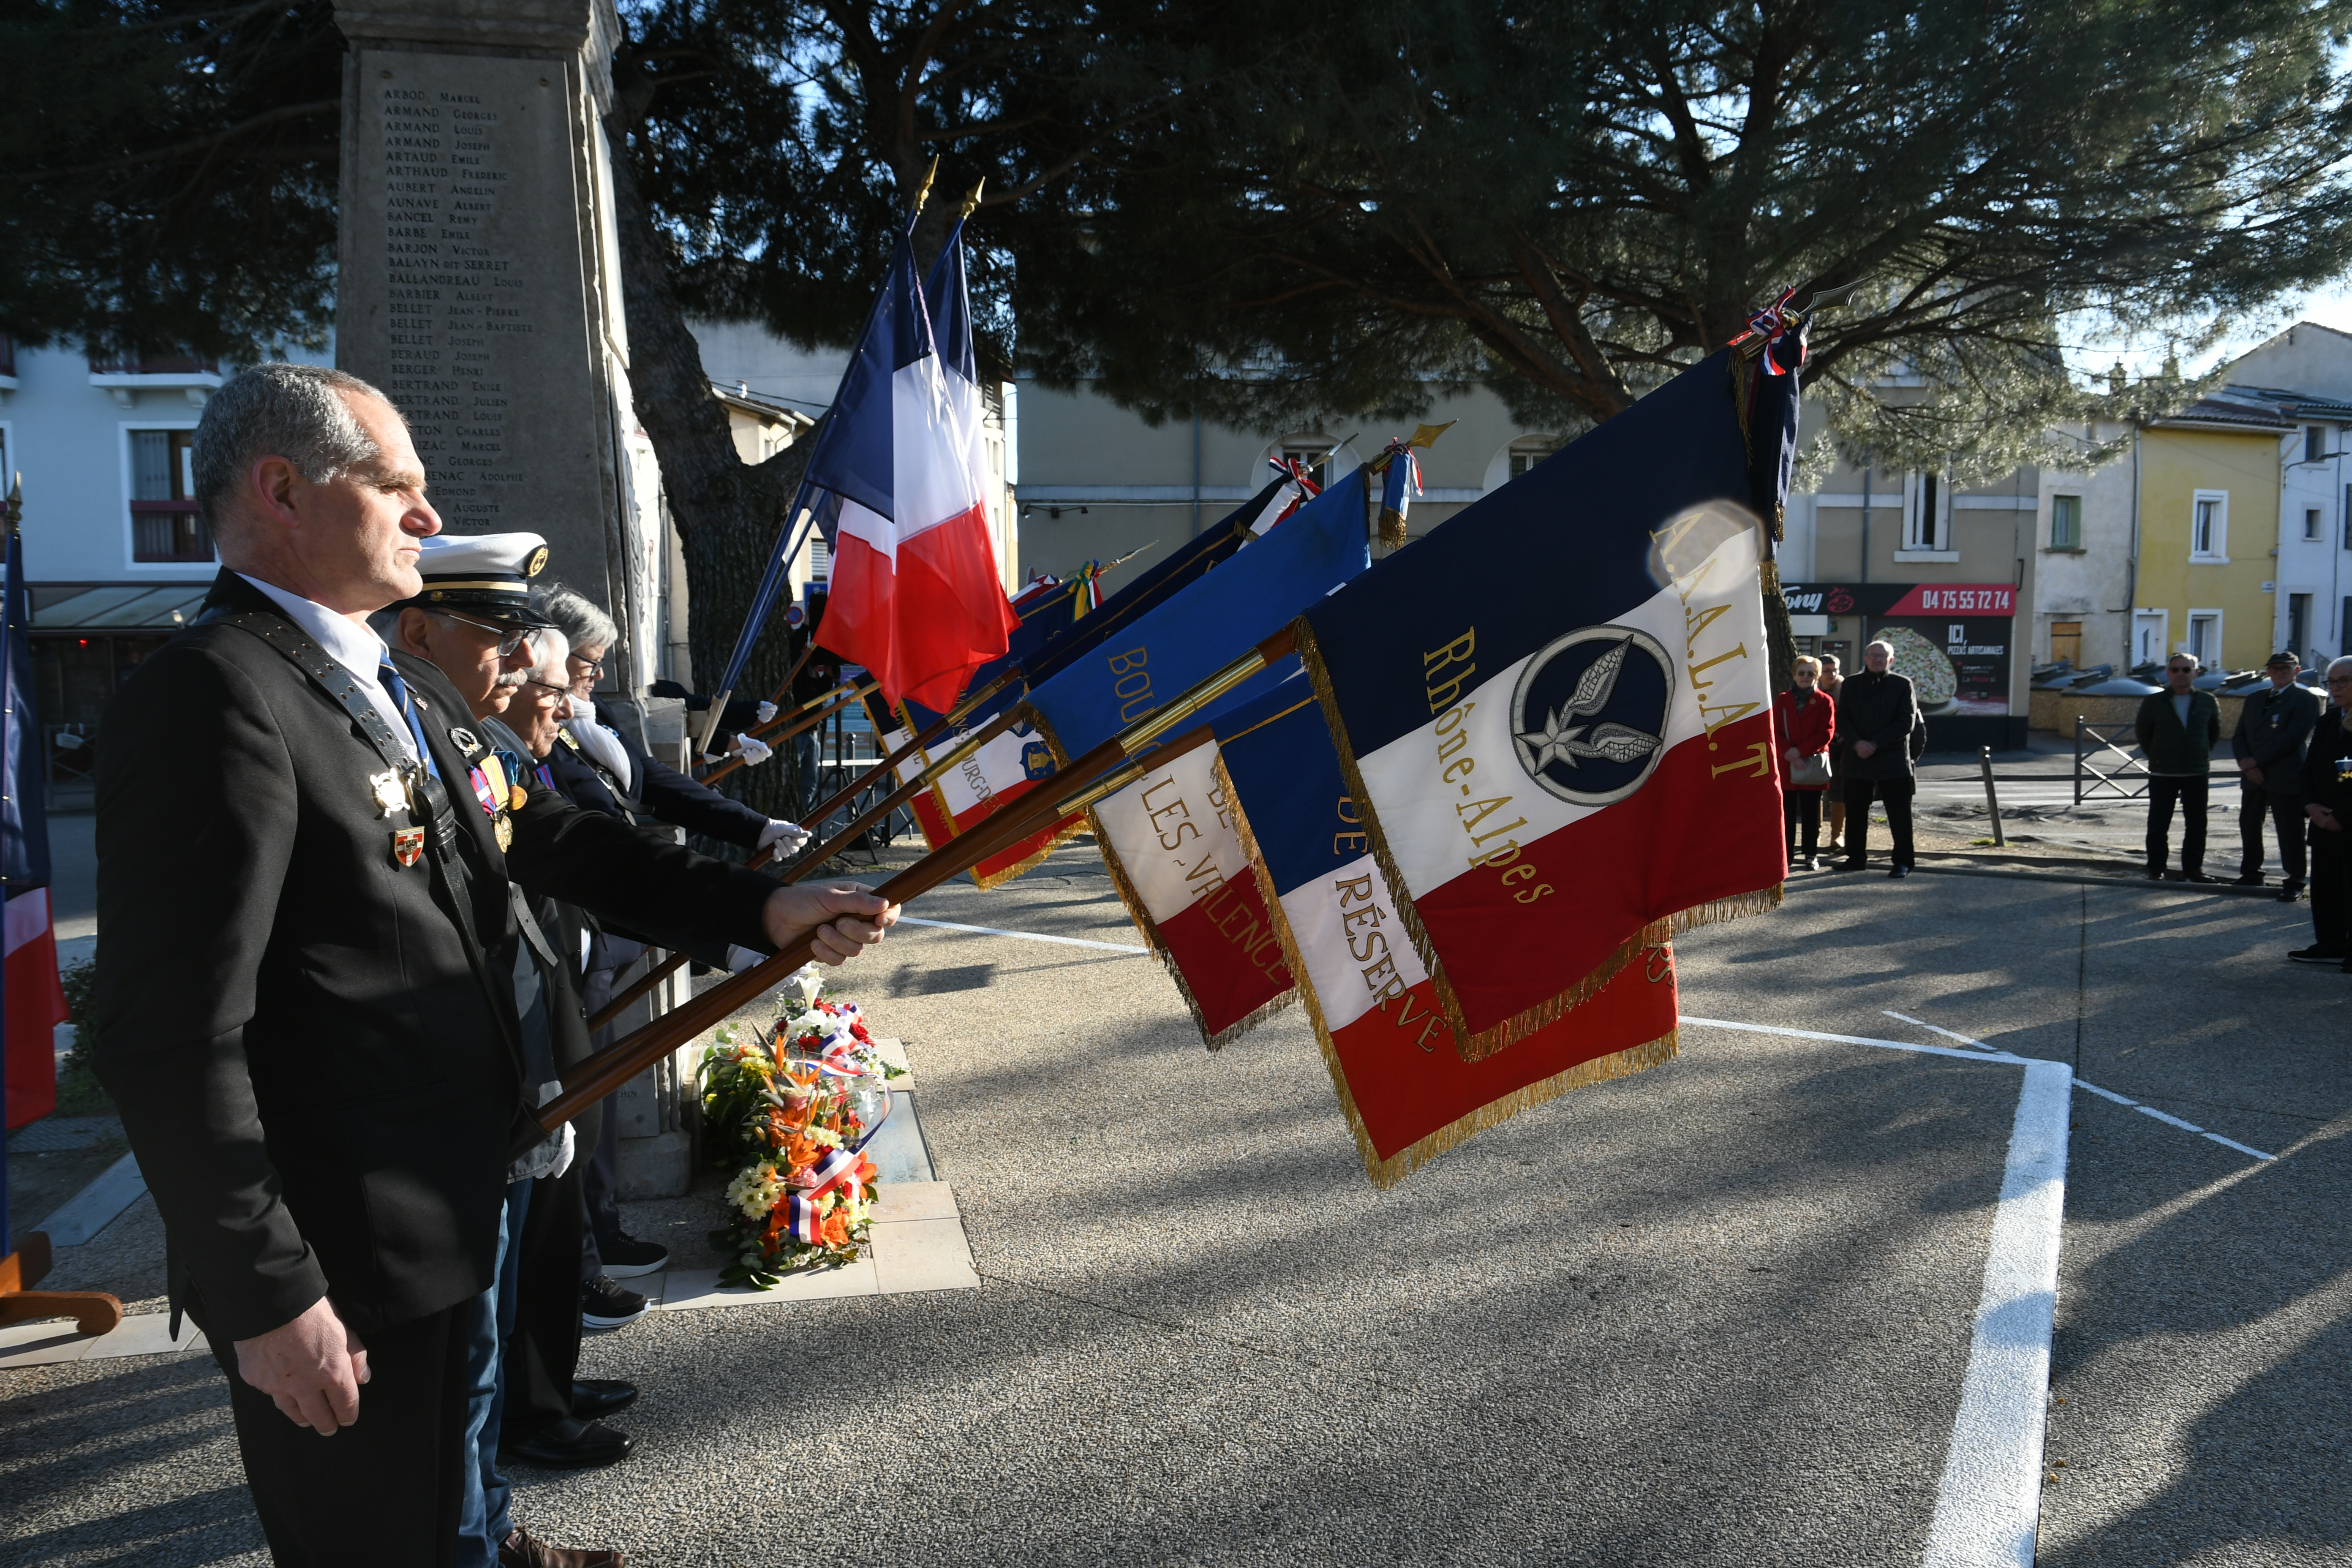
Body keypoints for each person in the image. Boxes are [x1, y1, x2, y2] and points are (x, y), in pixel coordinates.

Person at [92, 362, 900, 1568]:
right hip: (343, 1250)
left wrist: (765, 905)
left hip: (452, 1197)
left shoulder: (390, 677)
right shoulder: (215, 696)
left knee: (446, 1498)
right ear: (282, 490)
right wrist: (266, 1297)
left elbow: (552, 838)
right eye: (398, 488)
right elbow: (167, 1036)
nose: (428, 516)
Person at [2232, 651, 2322, 898]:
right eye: (2275, 668)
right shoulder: (2254, 699)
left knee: (2289, 829)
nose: (2280, 672)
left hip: (2285, 774)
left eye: (2286, 668)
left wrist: (2256, 761)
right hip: (2253, 776)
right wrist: (2247, 764)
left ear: (2297, 671)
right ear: (2268, 672)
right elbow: (2240, 735)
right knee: (2249, 825)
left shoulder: (2305, 700)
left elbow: (2293, 736)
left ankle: (2295, 879)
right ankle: (2251, 872)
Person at [2135, 652, 2222, 882]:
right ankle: (2156, 869)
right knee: (2158, 824)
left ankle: (2193, 869)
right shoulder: (2154, 702)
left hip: (2196, 772)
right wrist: (2157, 756)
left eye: (2186, 670)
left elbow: (2214, 733)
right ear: (2168, 674)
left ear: (2196, 673)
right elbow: (2144, 733)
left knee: (2197, 824)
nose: (2180, 674)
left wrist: (2200, 755)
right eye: (2175, 670)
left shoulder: (2207, 701)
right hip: (2163, 772)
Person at [1834, 640, 1918, 878]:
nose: (1877, 660)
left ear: (1891, 660)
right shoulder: (1851, 684)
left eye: (1883, 656)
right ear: (1866, 658)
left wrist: (1875, 744)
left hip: (1891, 758)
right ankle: (1855, 858)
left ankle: (1903, 861)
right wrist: (1858, 743)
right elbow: (1844, 718)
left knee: (1899, 814)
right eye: (1873, 656)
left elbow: (1906, 722)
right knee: (1856, 812)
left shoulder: (1903, 685)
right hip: (1857, 757)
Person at [2295, 656, 2352, 964]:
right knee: (2326, 890)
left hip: (2348, 824)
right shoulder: (2327, 721)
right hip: (2322, 822)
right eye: (2332, 682)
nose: (2336, 688)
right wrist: (2311, 806)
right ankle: (2329, 943)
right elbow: (2308, 771)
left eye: (2344, 681)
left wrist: (2341, 816)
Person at [1773, 655, 1836, 870]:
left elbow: (1826, 733)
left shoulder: (1825, 701)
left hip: (1812, 765)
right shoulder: (1783, 700)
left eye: (1811, 673)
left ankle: (1811, 855)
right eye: (1802, 673)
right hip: (1787, 765)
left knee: (1811, 815)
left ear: (1817, 676)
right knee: (1787, 815)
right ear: (1794, 674)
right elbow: (1774, 730)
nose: (1806, 677)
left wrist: (1800, 752)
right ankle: (1786, 857)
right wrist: (1789, 753)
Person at [1816, 653, 1847, 856]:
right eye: (1827, 671)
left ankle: (1837, 835)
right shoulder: (1812, 691)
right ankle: (1815, 835)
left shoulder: (1845, 691)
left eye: (1835, 670)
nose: (1832, 674)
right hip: (1817, 748)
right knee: (1816, 790)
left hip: (1841, 747)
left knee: (1839, 791)